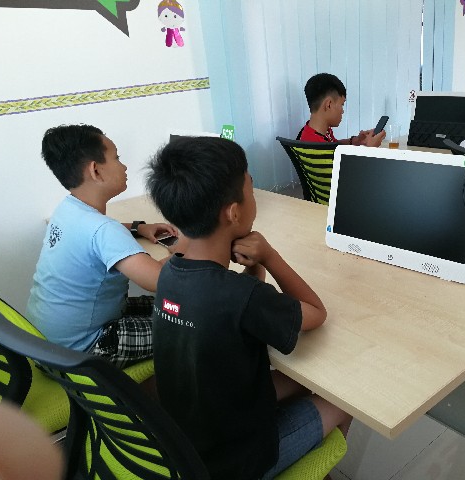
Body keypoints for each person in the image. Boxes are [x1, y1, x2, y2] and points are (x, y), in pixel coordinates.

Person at [146, 136, 352, 480]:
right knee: (343, 400)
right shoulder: (242, 296)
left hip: (188, 442)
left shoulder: (169, 272)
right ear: (234, 212)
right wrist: (269, 256)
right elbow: (316, 312)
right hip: (237, 464)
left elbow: (234, 302)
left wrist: (252, 266)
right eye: (251, 188)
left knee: (298, 382)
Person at [26, 124, 178, 368]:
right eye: (117, 158)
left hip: (47, 342)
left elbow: (97, 233)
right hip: (82, 349)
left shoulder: (66, 210)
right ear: (95, 171)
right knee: (188, 321)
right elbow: (161, 280)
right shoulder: (104, 231)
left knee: (174, 308)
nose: (124, 166)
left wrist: (139, 228)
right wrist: (184, 249)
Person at [298, 72, 386, 147]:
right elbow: (346, 162)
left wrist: (356, 141)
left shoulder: (315, 133)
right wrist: (370, 148)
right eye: (342, 104)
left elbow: (333, 145)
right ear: (329, 105)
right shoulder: (316, 147)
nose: (342, 111)